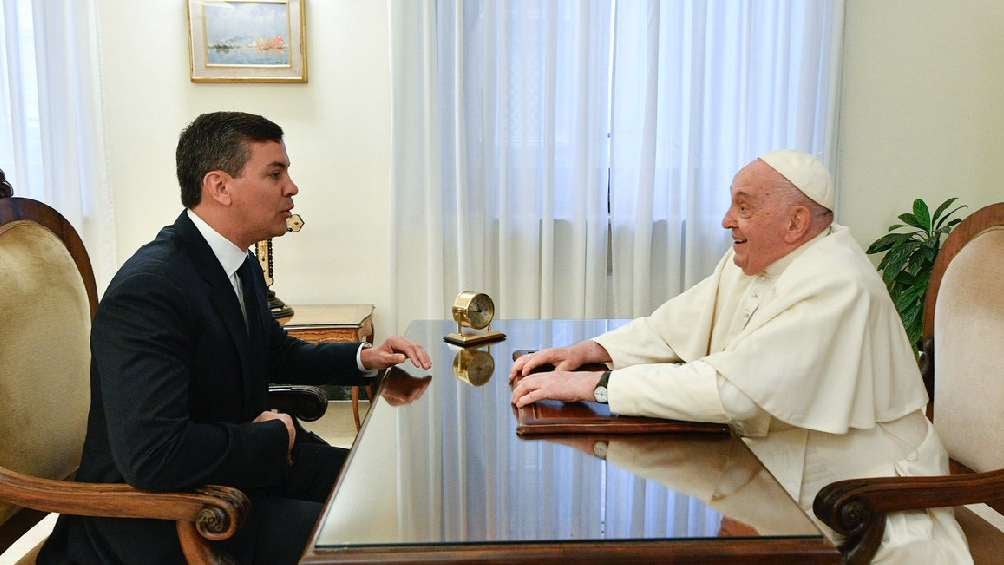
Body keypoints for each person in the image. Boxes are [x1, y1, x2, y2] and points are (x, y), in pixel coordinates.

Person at [510, 150, 972, 564]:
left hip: (861, 492)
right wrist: (590, 352)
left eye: (744, 206)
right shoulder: (755, 260)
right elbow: (673, 324)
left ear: (795, 223)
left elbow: (731, 391)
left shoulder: (836, 284)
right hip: (769, 465)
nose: (727, 220)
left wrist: (596, 386)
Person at [39, 111, 431, 565]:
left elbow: (275, 352)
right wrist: (270, 437)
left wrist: (365, 357)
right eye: (275, 173)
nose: (292, 188)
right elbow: (153, 456)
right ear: (220, 186)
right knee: (372, 540)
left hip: (234, 472)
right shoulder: (149, 289)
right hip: (164, 518)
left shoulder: (236, 262)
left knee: (388, 490)